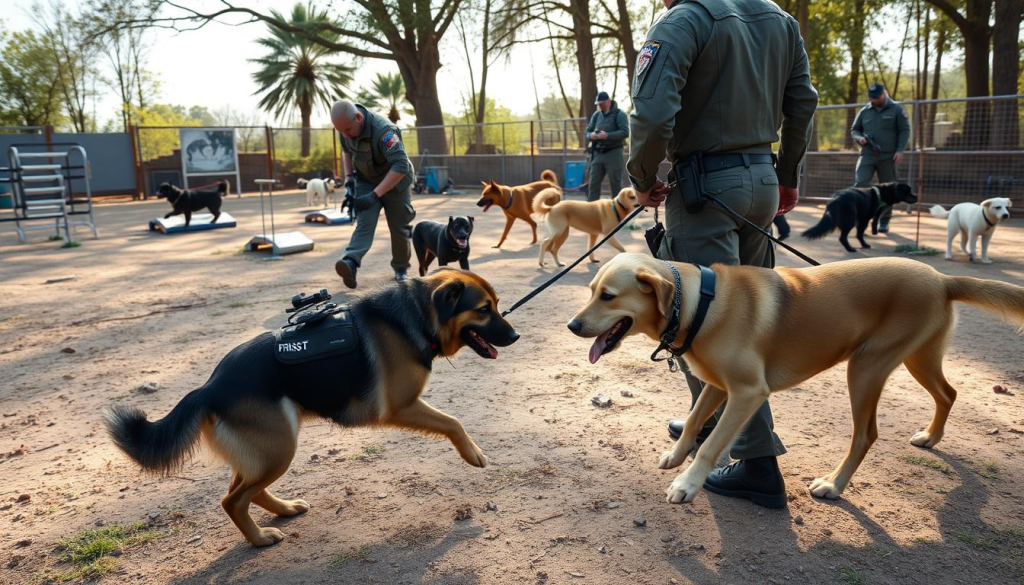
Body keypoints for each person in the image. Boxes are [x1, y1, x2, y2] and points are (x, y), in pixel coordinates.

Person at [628, 0, 818, 508]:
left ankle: (755, 464)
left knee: (705, 324)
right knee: (752, 320)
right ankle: (708, 424)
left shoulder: (682, 20)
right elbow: (803, 101)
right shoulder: (780, 19)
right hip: (760, 179)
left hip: (704, 188)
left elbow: (650, 111)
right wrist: (787, 176)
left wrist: (644, 179)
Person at [331, 100, 417, 288]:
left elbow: (401, 165)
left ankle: (401, 268)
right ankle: (351, 263)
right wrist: (349, 177)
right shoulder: (344, 127)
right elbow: (346, 151)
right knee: (365, 221)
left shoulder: (385, 131)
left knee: (399, 226)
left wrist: (375, 195)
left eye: (347, 130)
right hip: (365, 180)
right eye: (341, 132)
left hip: (396, 182)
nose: (345, 135)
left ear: (359, 118)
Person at [850, 83, 910, 233]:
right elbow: (855, 129)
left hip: (888, 156)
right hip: (868, 154)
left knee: (889, 189)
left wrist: (900, 150)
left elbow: (904, 130)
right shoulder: (865, 111)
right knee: (861, 182)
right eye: (872, 98)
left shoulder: (896, 109)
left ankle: (884, 221)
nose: (874, 100)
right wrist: (859, 138)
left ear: (885, 93)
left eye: (877, 97)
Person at [585, 91, 629, 202]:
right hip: (598, 153)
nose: (600, 106)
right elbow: (587, 132)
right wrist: (592, 135)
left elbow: (625, 132)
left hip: (614, 153)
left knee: (615, 184)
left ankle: (618, 212)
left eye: (602, 103)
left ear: (609, 101)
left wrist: (607, 136)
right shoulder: (597, 115)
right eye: (598, 104)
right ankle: (591, 210)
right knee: (593, 183)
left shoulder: (620, 114)